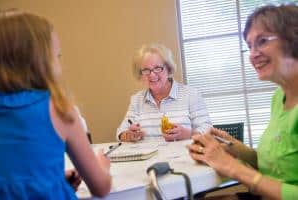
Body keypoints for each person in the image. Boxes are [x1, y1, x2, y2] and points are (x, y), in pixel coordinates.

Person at [188, 4, 298, 200]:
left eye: (262, 41)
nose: (253, 54)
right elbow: (280, 165)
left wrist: (233, 168)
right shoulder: (278, 98)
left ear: (293, 39)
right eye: (249, 46)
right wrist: (234, 147)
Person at [0, 9, 111, 199]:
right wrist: (102, 164)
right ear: (41, 63)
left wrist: (51, 180)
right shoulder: (58, 109)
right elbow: (100, 188)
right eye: (57, 56)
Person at [116, 44, 212, 142]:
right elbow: (121, 132)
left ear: (168, 69)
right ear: (140, 74)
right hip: (148, 157)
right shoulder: (137, 99)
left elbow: (208, 130)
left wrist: (187, 134)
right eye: (146, 70)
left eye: (158, 68)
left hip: (185, 156)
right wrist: (127, 135)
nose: (152, 75)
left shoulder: (191, 94)